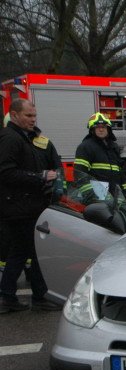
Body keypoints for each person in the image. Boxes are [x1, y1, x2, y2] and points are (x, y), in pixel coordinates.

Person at [0, 99, 61, 313]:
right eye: (28, 115)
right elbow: (6, 172)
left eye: (34, 115)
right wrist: (39, 177)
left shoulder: (22, 137)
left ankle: (17, 296)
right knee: (30, 252)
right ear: (14, 115)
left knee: (24, 252)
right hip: (20, 208)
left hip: (25, 206)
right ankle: (34, 296)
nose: (33, 119)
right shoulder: (11, 138)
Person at [73, 113, 126, 200]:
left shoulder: (113, 147)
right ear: (92, 130)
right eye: (98, 127)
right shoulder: (85, 147)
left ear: (108, 129)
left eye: (103, 127)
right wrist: (90, 194)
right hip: (97, 197)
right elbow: (80, 173)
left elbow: (120, 170)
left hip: (115, 195)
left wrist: (125, 190)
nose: (101, 129)